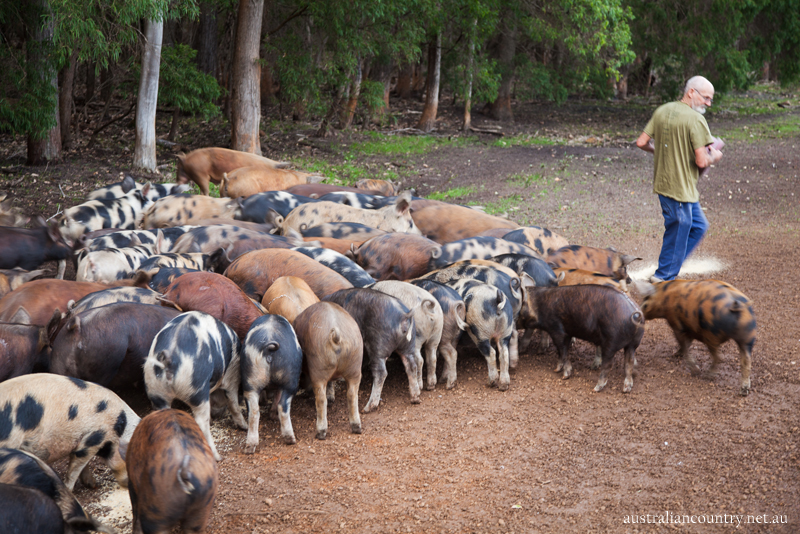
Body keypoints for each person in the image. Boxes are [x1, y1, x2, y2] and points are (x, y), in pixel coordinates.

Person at [636, 75, 723, 282]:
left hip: (668, 185)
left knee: (699, 225)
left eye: (711, 100)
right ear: (691, 92)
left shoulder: (662, 110)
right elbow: (702, 161)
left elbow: (641, 142)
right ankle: (663, 277)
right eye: (706, 98)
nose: (708, 104)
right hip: (680, 189)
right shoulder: (696, 119)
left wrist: (657, 150)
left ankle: (671, 265)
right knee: (679, 228)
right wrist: (715, 156)